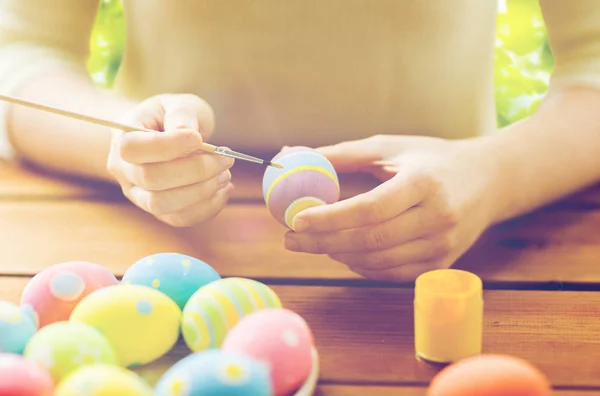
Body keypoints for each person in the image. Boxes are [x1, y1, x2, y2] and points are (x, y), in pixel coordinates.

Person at [0, 1, 599, 281]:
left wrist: (495, 174)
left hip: (456, 255)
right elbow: (18, 53)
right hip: (164, 256)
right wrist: (120, 139)